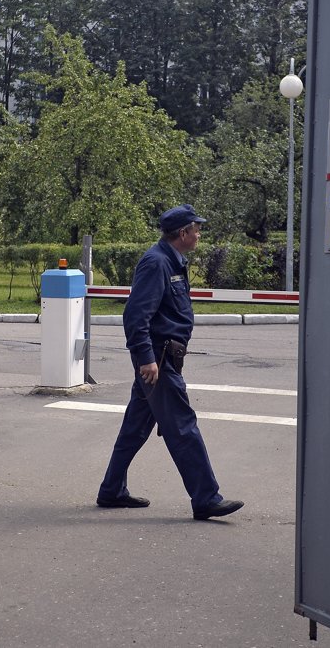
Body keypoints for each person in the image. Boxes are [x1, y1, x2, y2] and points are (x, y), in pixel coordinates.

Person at [96, 204, 244, 521]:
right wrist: (146, 359)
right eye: (196, 230)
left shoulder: (172, 261)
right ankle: (206, 498)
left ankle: (111, 490)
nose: (199, 234)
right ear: (183, 233)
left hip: (164, 358)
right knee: (183, 427)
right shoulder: (157, 262)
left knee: (135, 429)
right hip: (158, 361)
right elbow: (136, 316)